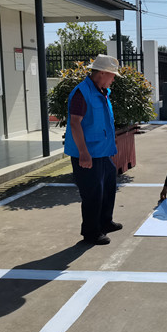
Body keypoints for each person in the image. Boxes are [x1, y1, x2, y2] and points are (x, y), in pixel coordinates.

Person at [64, 54, 124, 245]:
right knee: (92, 194)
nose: (113, 79)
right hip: (88, 152)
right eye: (112, 75)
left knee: (108, 187)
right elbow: (75, 123)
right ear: (102, 73)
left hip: (103, 151)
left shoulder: (103, 91)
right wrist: (83, 153)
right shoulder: (82, 93)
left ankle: (105, 222)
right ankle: (91, 232)